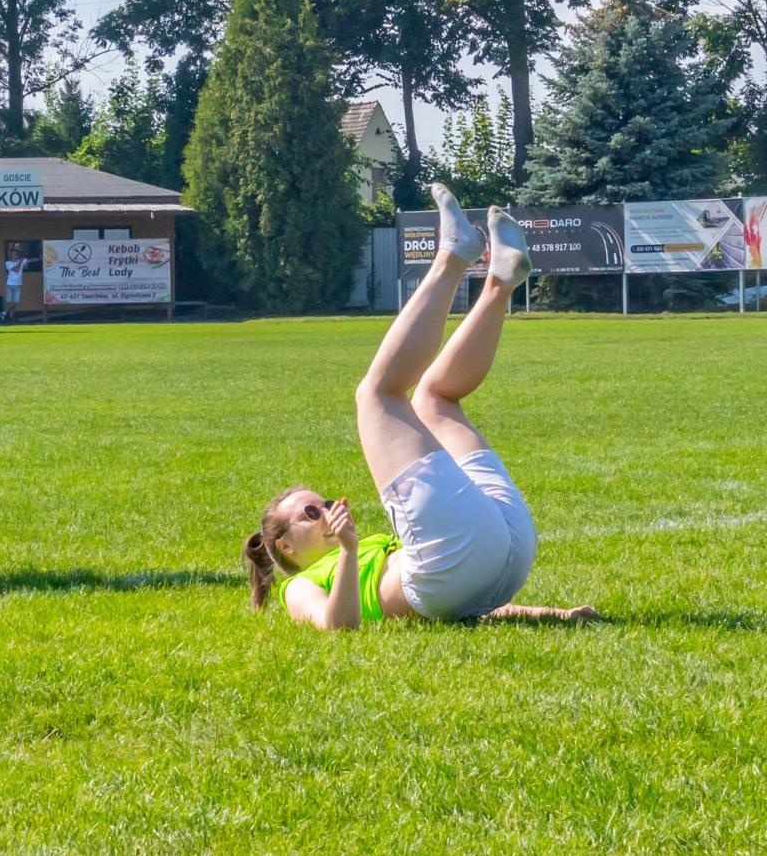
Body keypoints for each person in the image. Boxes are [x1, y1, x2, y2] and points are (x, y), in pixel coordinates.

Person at [243, 185, 598, 630]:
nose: (327, 511)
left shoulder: (375, 545)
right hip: (471, 560)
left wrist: (555, 615)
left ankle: (499, 283)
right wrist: (349, 551)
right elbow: (337, 625)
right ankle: (453, 256)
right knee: (375, 394)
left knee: (435, 398)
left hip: (498, 556)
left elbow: (466, 599)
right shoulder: (299, 585)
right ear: (286, 547)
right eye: (311, 513)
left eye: (324, 503)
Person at [3, 246, 26, 322]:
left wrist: (39, 259)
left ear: (17, 255)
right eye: (12, 254)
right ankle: (11, 316)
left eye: (15, 254)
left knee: (16, 302)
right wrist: (21, 261)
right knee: (9, 301)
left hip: (18, 284)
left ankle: (4, 313)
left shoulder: (20, 261)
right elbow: (16, 269)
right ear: (10, 255)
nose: (14, 255)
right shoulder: (8, 263)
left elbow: (30, 260)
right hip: (9, 284)